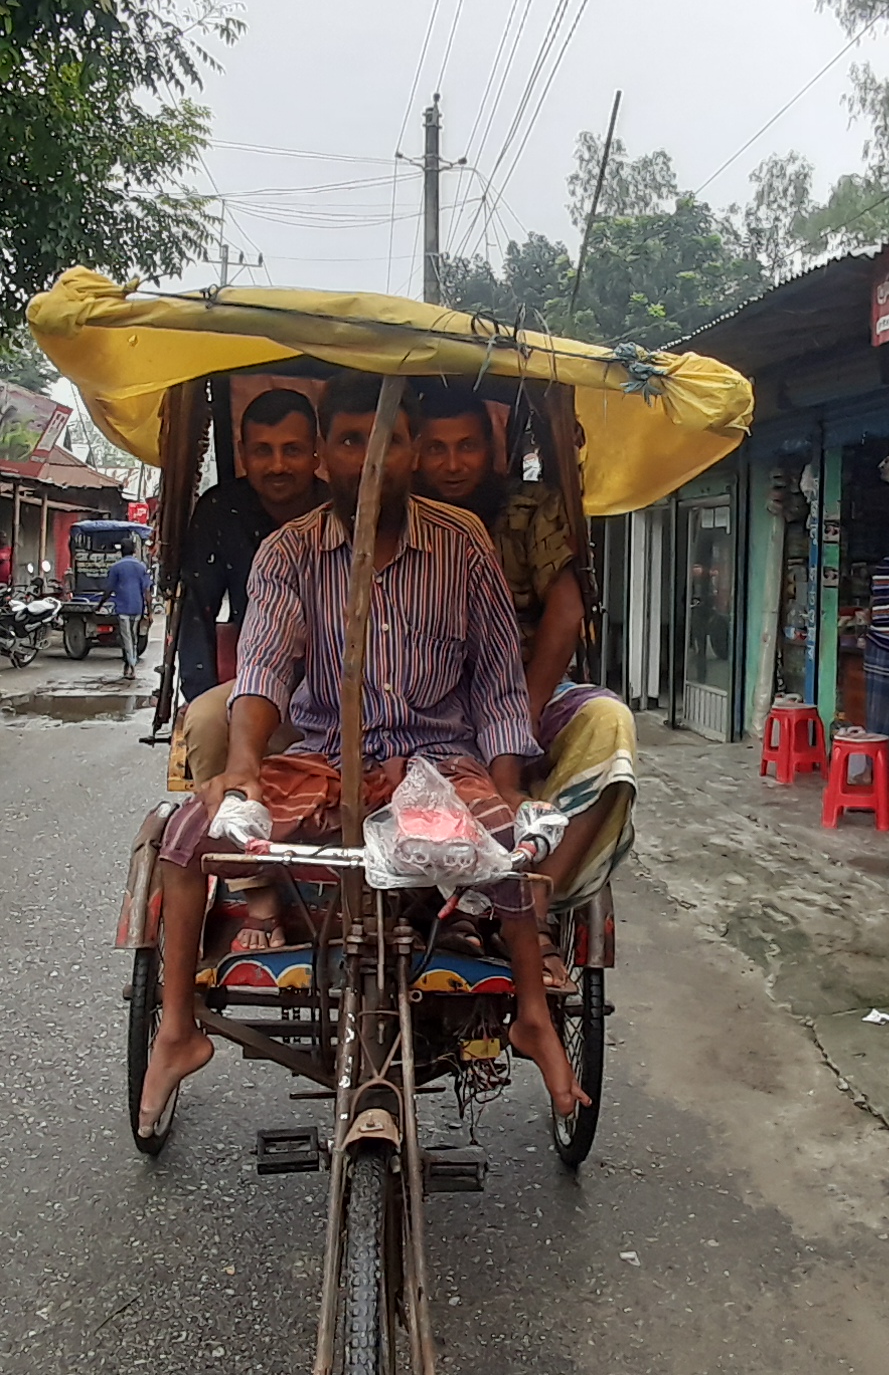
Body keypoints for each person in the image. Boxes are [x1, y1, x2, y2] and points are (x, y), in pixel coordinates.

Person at [136, 372, 587, 1137]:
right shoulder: (289, 550)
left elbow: (497, 679)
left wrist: (507, 785)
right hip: (324, 758)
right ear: (325, 455)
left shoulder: (462, 543)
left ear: (410, 451)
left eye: (388, 441)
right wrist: (242, 768)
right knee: (184, 838)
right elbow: (265, 666)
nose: (370, 459)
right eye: (351, 441)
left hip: (437, 762)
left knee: (507, 843)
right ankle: (178, 1031)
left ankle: (533, 1017)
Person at [411, 382, 637, 992]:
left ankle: (533, 907)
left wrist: (523, 709)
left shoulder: (529, 508)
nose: (452, 464)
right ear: (414, 452)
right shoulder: (397, 513)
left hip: (527, 685)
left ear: (492, 448)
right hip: (429, 701)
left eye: (466, 446)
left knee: (610, 724)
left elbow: (565, 613)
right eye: (436, 449)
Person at [174, 388, 326, 701]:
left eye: (292, 450)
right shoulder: (221, 511)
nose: (278, 466)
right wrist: (199, 698)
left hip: (333, 682)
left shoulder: (339, 511)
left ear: (316, 452)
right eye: (263, 451)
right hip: (252, 680)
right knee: (203, 721)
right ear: (243, 454)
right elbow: (196, 611)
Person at [107, 539, 153, 676]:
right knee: (133, 638)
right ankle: (129, 664)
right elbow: (147, 591)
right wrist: (150, 612)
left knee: (126, 638)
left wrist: (100, 604)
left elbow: (109, 589)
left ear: (121, 551)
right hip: (137, 608)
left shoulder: (116, 567)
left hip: (123, 608)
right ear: (134, 551)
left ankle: (132, 666)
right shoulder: (141, 567)